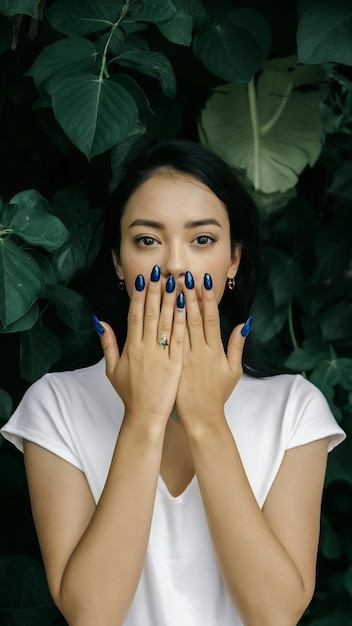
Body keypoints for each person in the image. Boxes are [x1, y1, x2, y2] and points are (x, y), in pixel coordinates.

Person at [1, 139, 346, 626]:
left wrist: (207, 419)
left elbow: (276, 615)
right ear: (120, 265)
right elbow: (91, 614)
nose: (177, 266)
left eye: (202, 240)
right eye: (147, 240)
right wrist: (143, 418)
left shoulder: (293, 408)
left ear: (233, 262)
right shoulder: (56, 405)